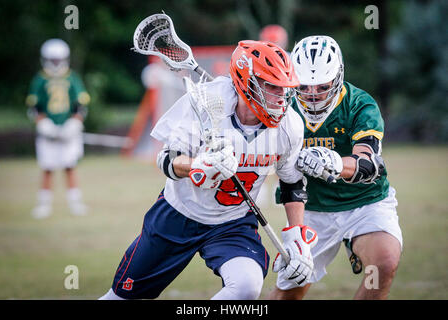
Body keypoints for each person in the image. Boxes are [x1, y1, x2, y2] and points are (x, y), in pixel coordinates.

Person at [99, 40, 318, 300]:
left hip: (232, 222)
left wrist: (296, 237)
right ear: (247, 82)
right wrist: (197, 165)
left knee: (247, 286)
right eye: (272, 87)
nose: (281, 98)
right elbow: (168, 160)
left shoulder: (289, 125)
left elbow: (292, 182)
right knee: (123, 297)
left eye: (285, 89)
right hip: (180, 213)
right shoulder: (206, 101)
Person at [269, 35, 403, 300]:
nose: (313, 94)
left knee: (384, 264)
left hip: (365, 203)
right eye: (305, 86)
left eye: (322, 86)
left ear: (338, 75)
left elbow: (369, 164)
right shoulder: (281, 108)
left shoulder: (359, 104)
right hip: (311, 208)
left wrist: (334, 164)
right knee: (290, 291)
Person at [26, 38, 90, 219]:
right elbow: (34, 107)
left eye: (57, 60)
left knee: (70, 166)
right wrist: (43, 124)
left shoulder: (72, 78)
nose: (55, 64)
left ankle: (75, 203)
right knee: (48, 168)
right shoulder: (40, 79)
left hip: (68, 132)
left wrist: (74, 123)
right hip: (48, 134)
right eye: (52, 60)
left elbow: (80, 105)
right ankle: (44, 204)